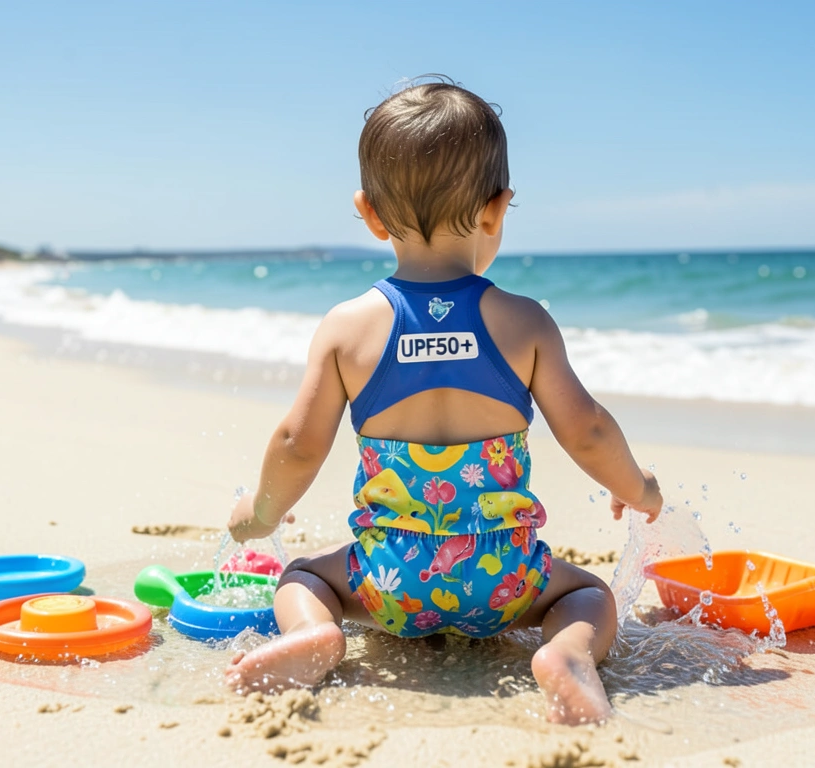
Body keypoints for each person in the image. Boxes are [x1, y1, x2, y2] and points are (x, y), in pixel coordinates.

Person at [225, 78, 663, 725]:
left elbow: (298, 443)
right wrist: (641, 486)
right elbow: (589, 431)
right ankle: (567, 654)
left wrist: (258, 513)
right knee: (590, 596)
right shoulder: (525, 323)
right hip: (505, 582)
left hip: (388, 581)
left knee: (303, 577)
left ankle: (312, 636)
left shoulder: (348, 328)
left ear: (369, 213)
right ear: (497, 209)